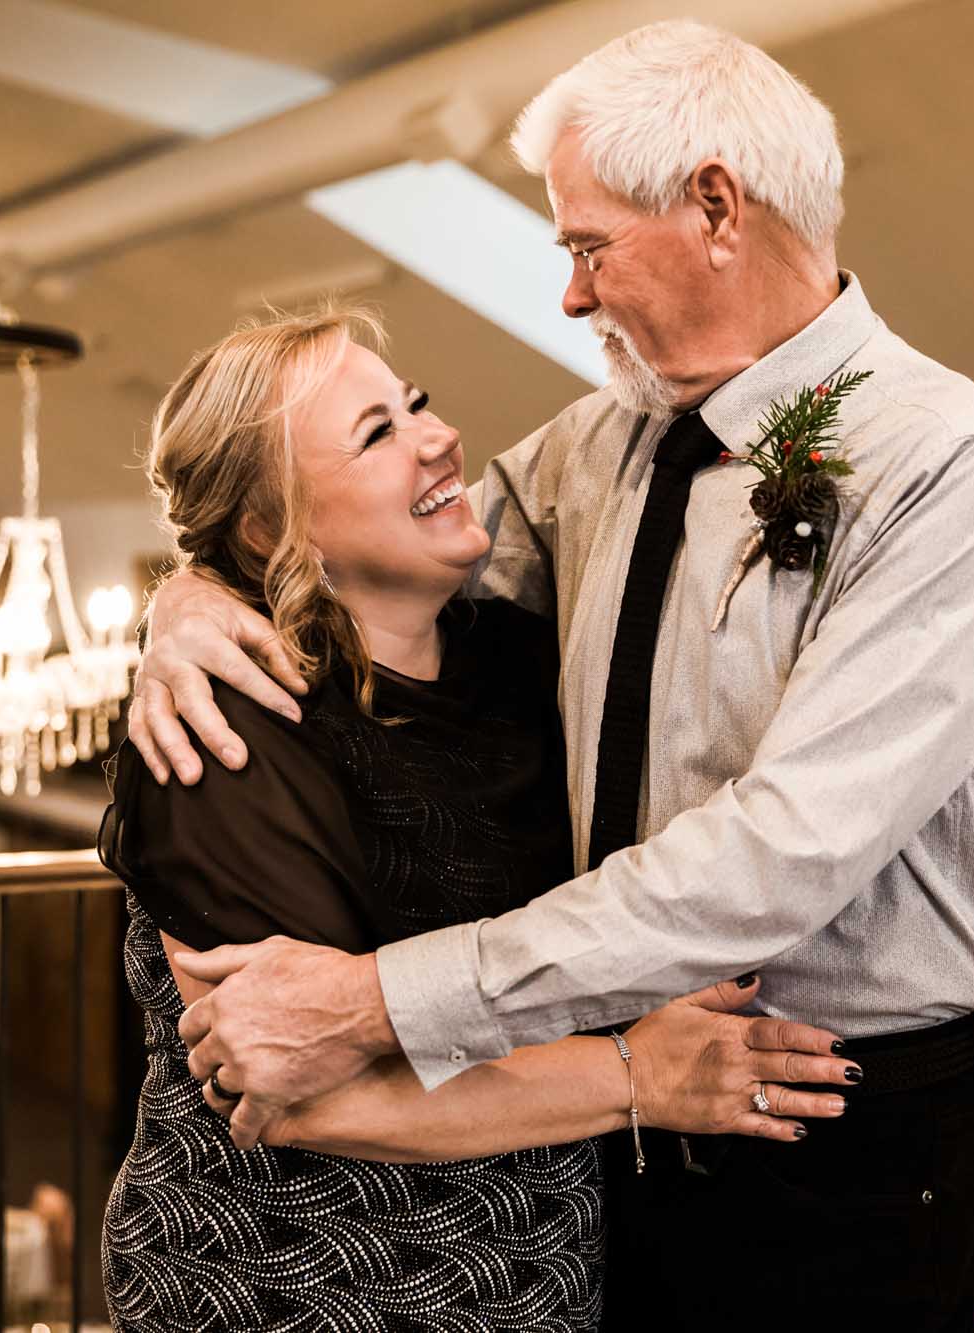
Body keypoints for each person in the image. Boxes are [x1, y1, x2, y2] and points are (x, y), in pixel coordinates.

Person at [132, 20, 974, 1328]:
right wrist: (184, 600)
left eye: (585, 247)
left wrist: (376, 1002)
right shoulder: (596, 448)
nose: (570, 297)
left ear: (714, 209)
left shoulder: (953, 469)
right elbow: (362, 549)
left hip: (837, 1124)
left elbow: (783, 854)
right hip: (607, 1114)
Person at [97, 306, 858, 1331]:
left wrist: (908, 952)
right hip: (291, 1280)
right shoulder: (224, 726)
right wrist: (641, 1076)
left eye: (412, 402)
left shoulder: (515, 653)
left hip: (535, 1272)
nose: (438, 436)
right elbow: (301, 1094)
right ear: (274, 531)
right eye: (375, 434)